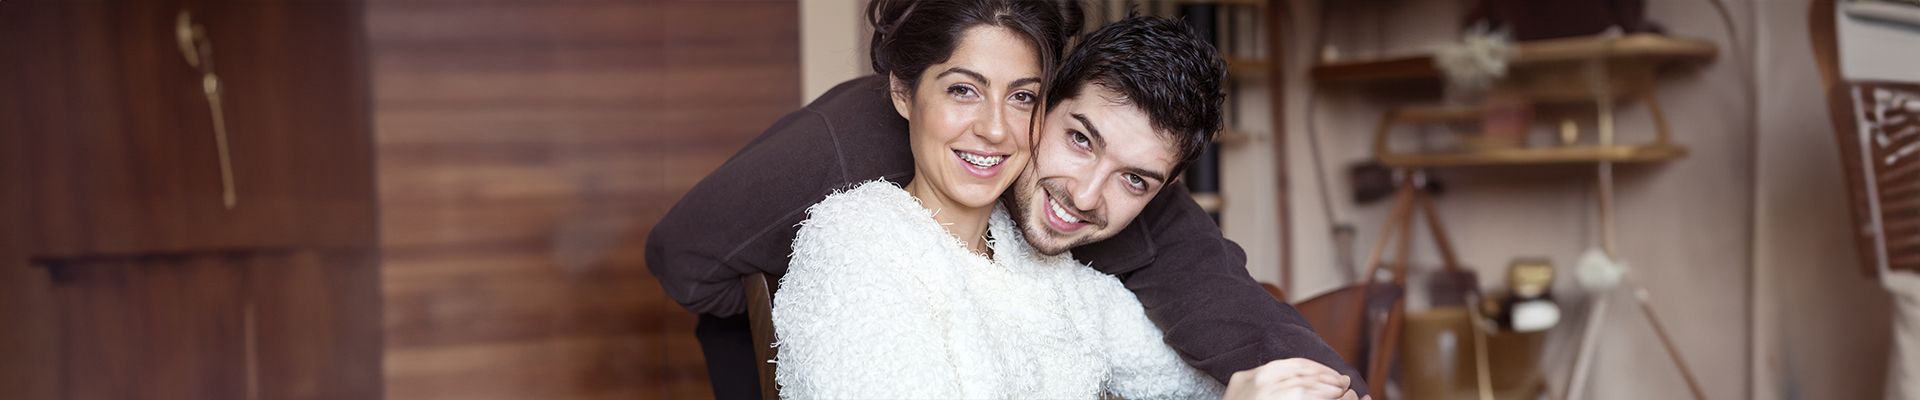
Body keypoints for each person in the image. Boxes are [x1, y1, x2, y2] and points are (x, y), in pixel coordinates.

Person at [645, 0, 1367, 398]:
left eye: (1016, 97)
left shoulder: (1068, 255)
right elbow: (687, 259)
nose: (1086, 193)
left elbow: (1231, 322)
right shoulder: (855, 202)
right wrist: (787, 325)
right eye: (1080, 140)